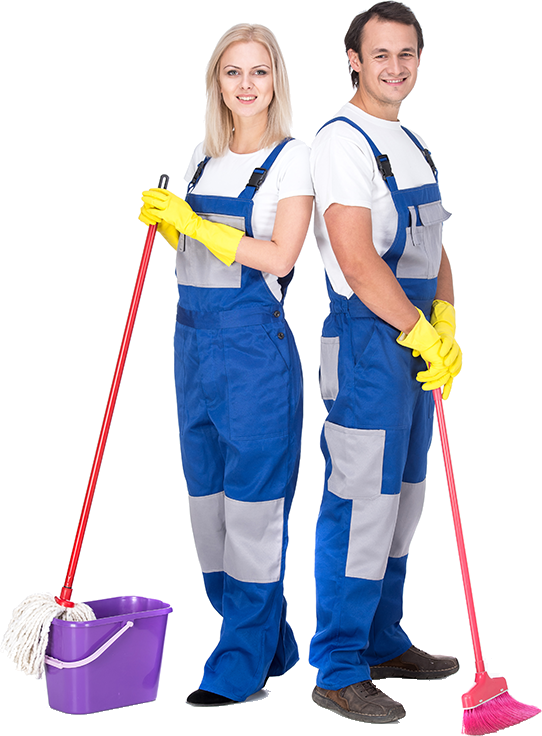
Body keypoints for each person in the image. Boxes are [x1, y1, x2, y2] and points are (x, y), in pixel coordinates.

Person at [139, 24, 313, 706]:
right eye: (233, 71)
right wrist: (170, 227)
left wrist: (199, 225)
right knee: (207, 510)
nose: (246, 84)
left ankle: (239, 663)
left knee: (252, 516)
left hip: (254, 357)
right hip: (191, 347)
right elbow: (196, 257)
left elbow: (279, 257)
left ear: (275, 81)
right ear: (217, 80)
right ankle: (267, 637)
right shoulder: (202, 159)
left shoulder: (292, 160)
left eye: (259, 72)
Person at [309, 2, 462, 724]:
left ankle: (381, 639)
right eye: (381, 54)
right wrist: (420, 332)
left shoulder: (413, 141)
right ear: (354, 60)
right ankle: (339, 667)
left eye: (407, 54)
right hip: (370, 345)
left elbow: (436, 250)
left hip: (412, 339)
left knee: (403, 499)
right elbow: (357, 260)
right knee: (361, 505)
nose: (395, 67)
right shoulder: (342, 142)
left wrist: (447, 321)